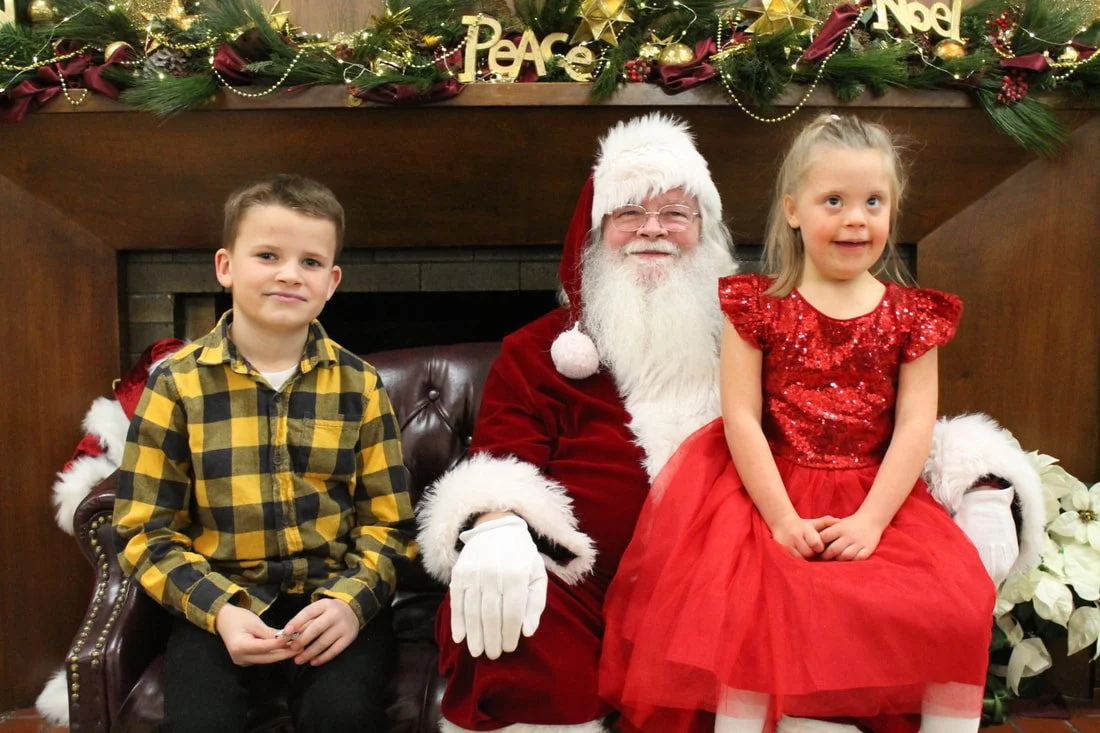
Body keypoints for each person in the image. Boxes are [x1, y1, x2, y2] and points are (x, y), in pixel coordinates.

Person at [416, 113, 1041, 733]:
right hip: (581, 584)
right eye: (629, 213)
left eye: (675, 214)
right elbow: (500, 458)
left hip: (721, 582)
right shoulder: (539, 350)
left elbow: (864, 419)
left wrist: (979, 479)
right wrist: (494, 523)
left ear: (707, 231)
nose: (652, 230)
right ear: (594, 231)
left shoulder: (756, 326)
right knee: (516, 618)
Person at [598, 114, 999, 733]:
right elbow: (741, 417)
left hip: (874, 491)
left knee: (957, 604)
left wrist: (871, 520)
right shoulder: (757, 306)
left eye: (874, 201)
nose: (855, 219)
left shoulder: (912, 316)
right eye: (832, 201)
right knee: (750, 607)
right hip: (766, 492)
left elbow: (916, 426)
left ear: (893, 209)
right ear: (793, 209)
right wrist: (781, 518)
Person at [113, 174, 417, 733]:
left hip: (331, 603)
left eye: (309, 262)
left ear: (332, 281)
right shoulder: (176, 386)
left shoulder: (361, 386)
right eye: (268, 255)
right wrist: (220, 611)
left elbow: (390, 524)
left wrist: (352, 603)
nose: (288, 274)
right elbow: (145, 531)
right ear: (225, 266)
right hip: (219, 606)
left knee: (344, 716)